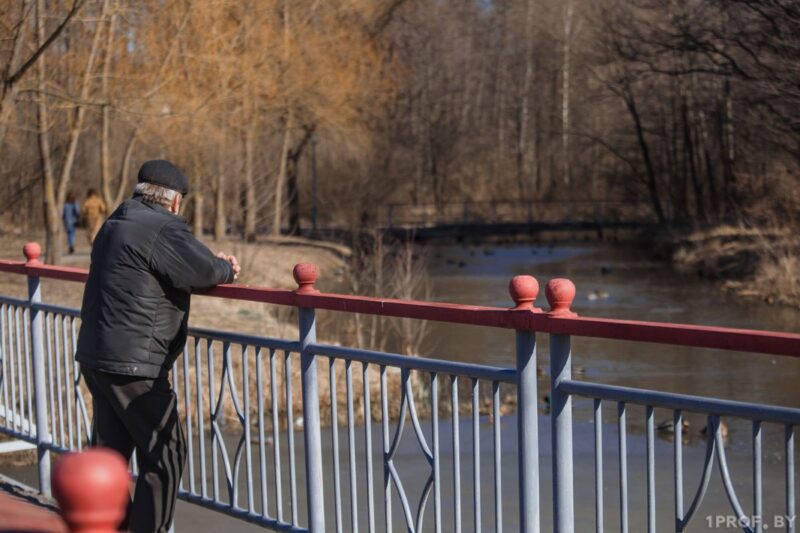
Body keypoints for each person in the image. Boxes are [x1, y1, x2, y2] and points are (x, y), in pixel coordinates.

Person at [75, 160, 240, 533]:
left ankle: (110, 526)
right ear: (175, 202)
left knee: (110, 457)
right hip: (135, 364)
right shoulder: (161, 227)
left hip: (97, 355)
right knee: (166, 453)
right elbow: (202, 270)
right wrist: (226, 268)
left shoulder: (115, 222)